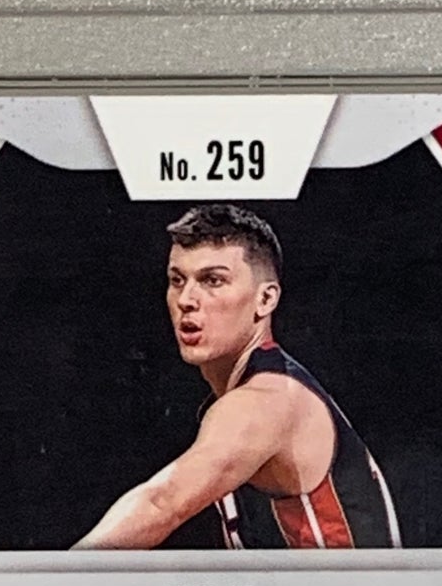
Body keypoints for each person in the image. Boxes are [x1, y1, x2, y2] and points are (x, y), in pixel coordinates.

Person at [74, 204, 400, 550]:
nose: (186, 300)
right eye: (177, 280)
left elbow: (161, 503)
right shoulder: (251, 395)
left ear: (265, 299)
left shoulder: (268, 401)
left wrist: (59, 576)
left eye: (212, 281)